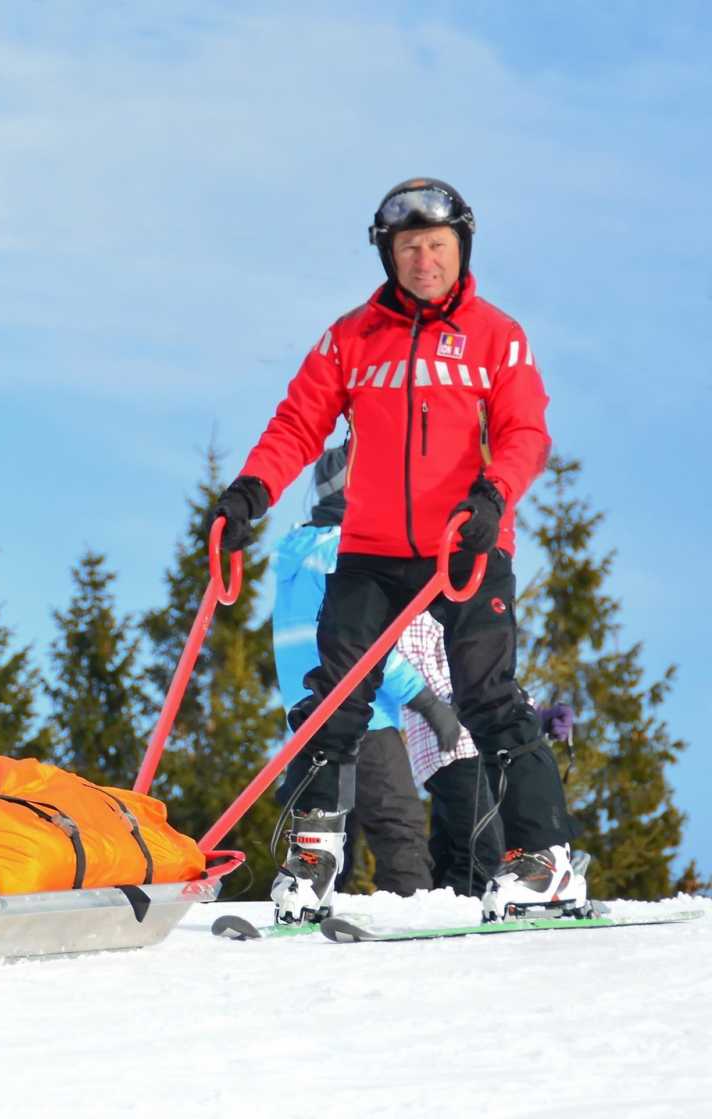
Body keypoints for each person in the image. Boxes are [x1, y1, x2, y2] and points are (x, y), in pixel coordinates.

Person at [212, 177, 586, 923]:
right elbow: (298, 422)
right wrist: (253, 488)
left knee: (489, 697)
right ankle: (314, 854)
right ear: (388, 253)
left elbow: (526, 432)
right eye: (409, 247)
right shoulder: (352, 337)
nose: (424, 261)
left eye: (438, 247)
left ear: (461, 251)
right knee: (334, 702)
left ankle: (544, 860)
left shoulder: (496, 336)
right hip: (372, 551)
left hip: (466, 546)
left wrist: (493, 496)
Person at [270, 445, 461, 904]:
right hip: (364, 713)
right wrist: (427, 702)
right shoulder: (343, 550)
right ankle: (413, 914)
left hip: (309, 715)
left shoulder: (293, 556)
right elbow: (363, 647)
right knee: (399, 827)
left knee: (330, 832)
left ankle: (311, 909)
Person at [396, 611, 579, 896]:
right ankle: (466, 912)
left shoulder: (461, 612)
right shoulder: (420, 609)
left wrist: (534, 716)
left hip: (470, 746)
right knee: (484, 853)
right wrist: (506, 714)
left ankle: (441, 909)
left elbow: (489, 683)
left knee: (456, 849)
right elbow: (425, 676)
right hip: (452, 745)